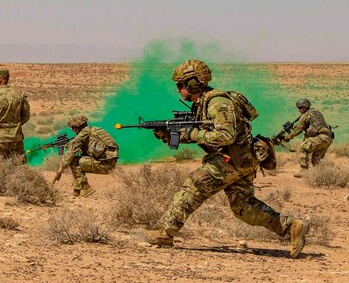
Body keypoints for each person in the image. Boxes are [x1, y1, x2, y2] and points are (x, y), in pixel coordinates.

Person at [146, 60, 310, 259]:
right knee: (244, 207)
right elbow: (205, 134)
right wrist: (169, 135)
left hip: (231, 159)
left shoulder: (217, 103)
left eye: (181, 85)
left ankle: (164, 235)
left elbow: (225, 136)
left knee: (193, 187)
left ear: (193, 83)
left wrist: (192, 134)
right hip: (241, 160)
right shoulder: (203, 103)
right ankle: (292, 226)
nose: (178, 89)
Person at [53, 115, 119, 198]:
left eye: (72, 128)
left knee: (74, 161)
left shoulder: (82, 135)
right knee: (78, 160)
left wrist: (60, 170)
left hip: (105, 164)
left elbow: (70, 153)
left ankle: (86, 188)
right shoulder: (93, 130)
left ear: (76, 128)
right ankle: (77, 190)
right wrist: (70, 144)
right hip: (110, 162)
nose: (73, 130)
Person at [0, 68, 31, 163]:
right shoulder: (19, 94)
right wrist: (16, 125)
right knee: (19, 167)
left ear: (0, 80)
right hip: (16, 137)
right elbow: (26, 116)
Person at [281, 98, 333, 178]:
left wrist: (288, 137)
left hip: (321, 138)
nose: (300, 110)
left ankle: (304, 171)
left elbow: (299, 130)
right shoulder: (315, 112)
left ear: (305, 107)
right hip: (327, 139)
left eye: (301, 108)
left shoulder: (305, 116)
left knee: (302, 148)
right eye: (299, 108)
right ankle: (322, 175)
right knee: (316, 159)